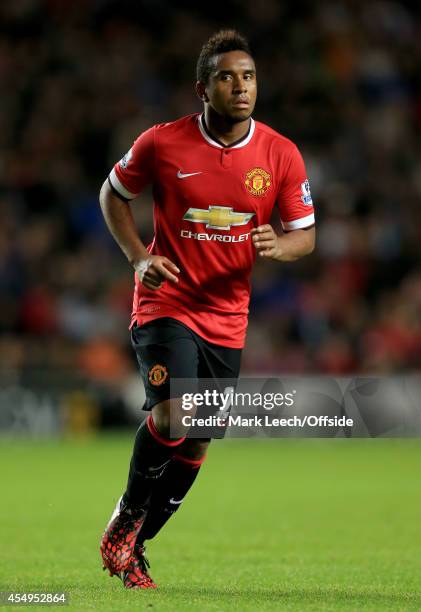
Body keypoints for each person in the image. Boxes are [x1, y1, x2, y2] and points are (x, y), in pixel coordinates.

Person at [99, 29, 315, 589]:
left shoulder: (280, 154)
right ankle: (123, 521)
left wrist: (280, 246)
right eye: (226, 76)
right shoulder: (161, 143)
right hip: (167, 302)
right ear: (203, 87)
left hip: (227, 316)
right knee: (175, 415)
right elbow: (112, 194)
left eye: (248, 76)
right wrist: (135, 258)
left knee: (197, 438)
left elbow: (305, 235)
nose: (240, 87)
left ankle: (136, 546)